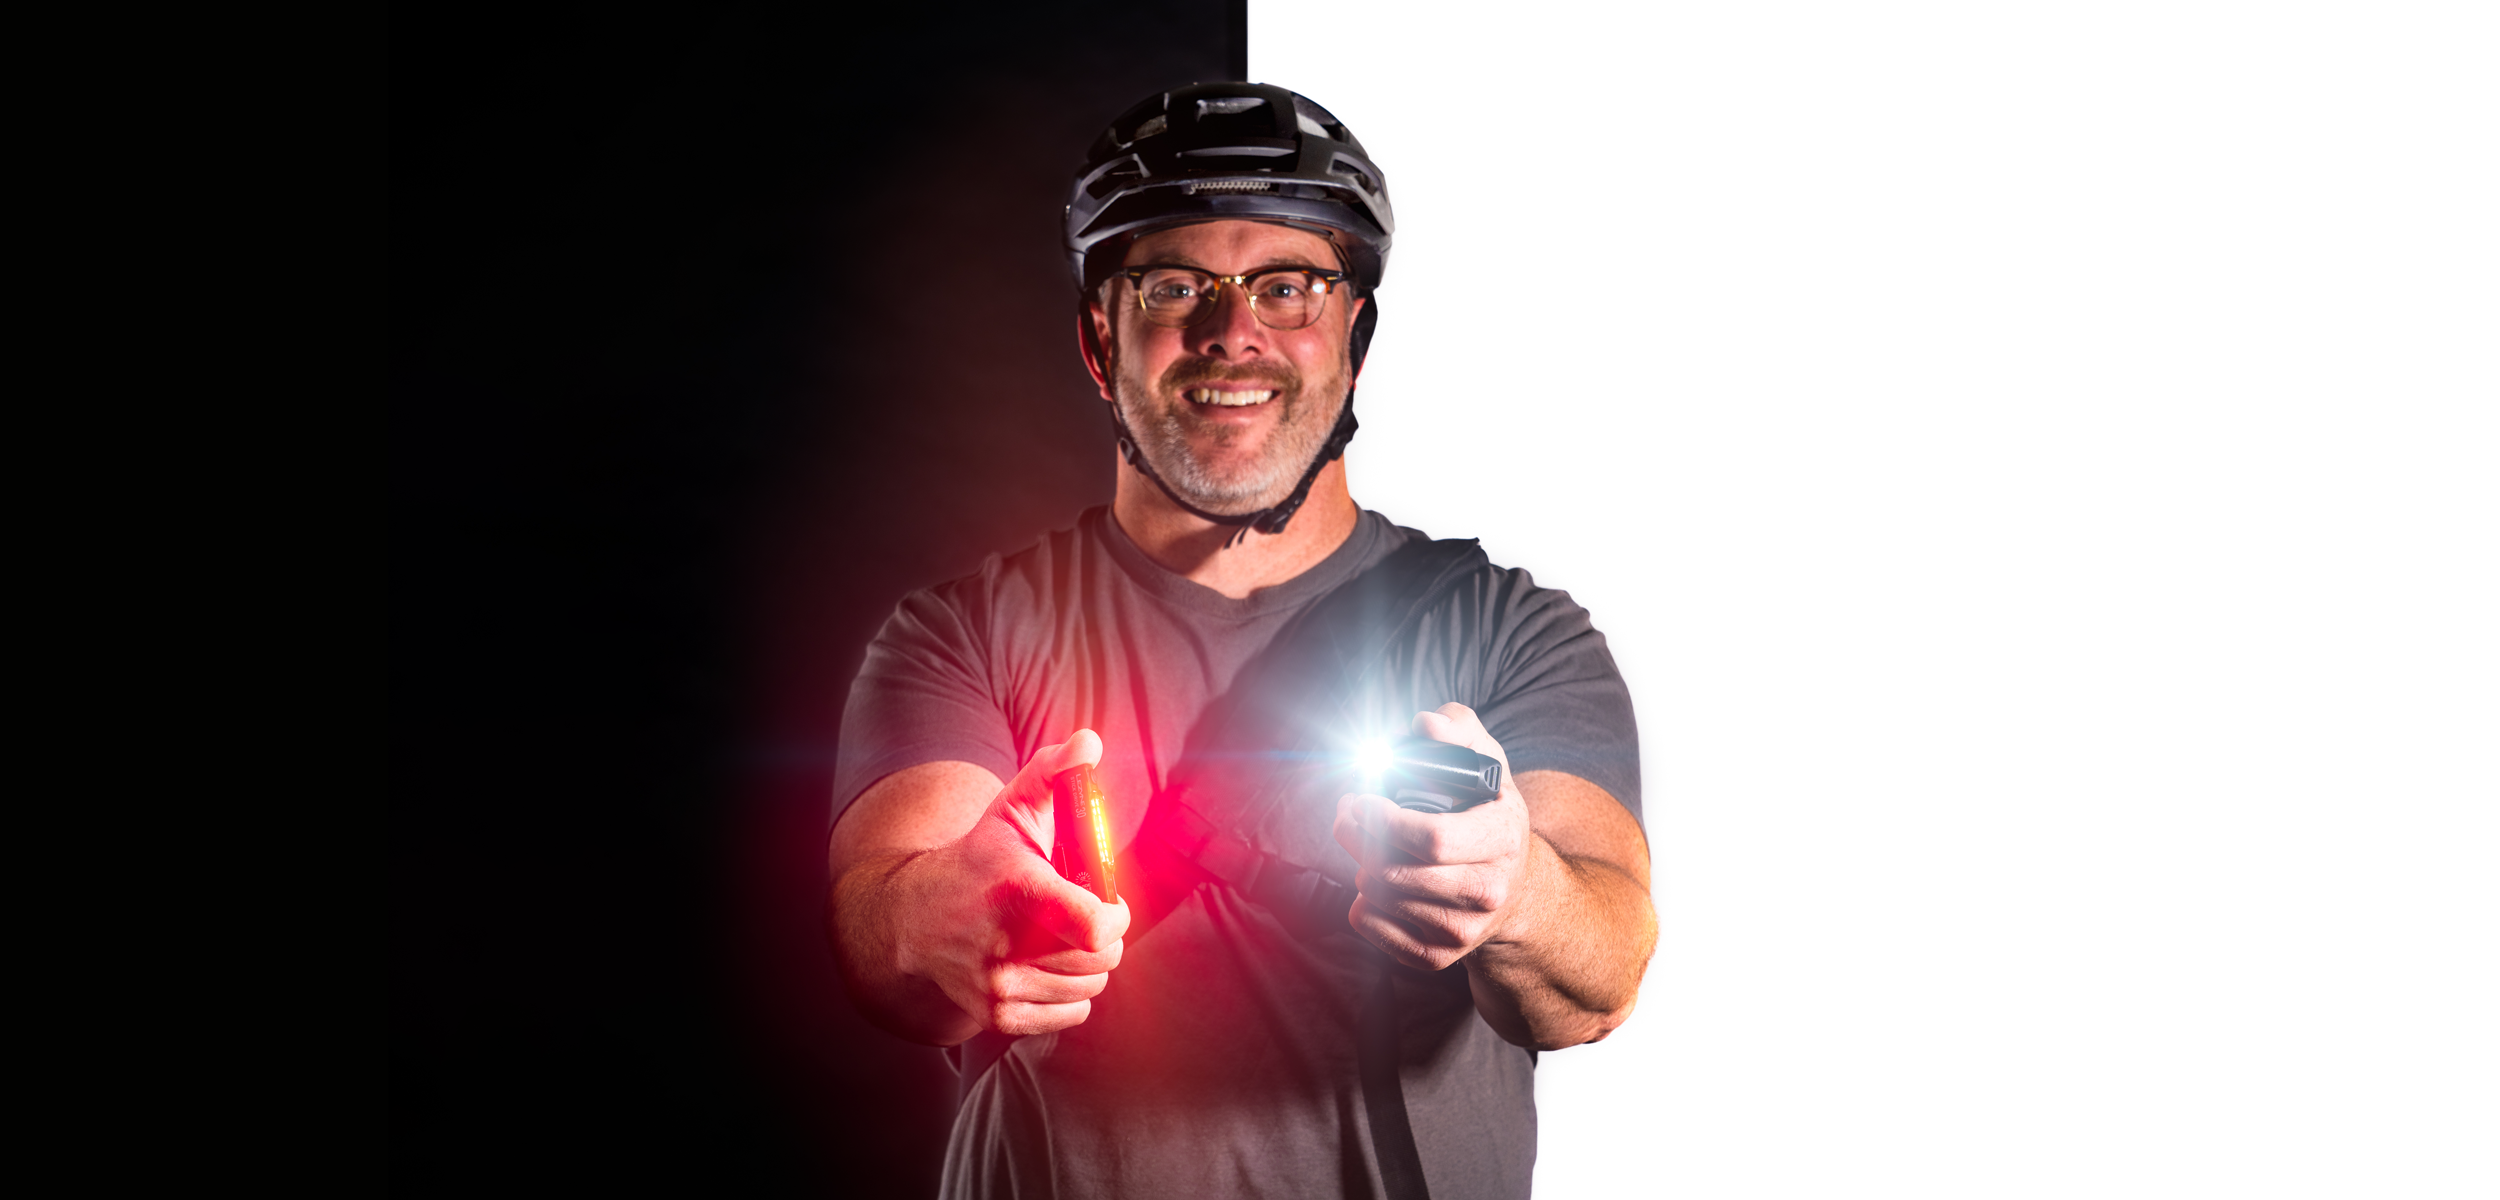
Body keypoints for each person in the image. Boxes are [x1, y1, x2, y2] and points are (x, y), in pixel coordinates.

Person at [825, 82, 1656, 1200]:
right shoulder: (962, 634)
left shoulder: (1511, 630)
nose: (1233, 333)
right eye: (1175, 285)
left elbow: (1599, 973)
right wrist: (943, 917)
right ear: (1096, 336)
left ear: (1354, 337)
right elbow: (885, 929)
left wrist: (1515, 893)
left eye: (1287, 286)